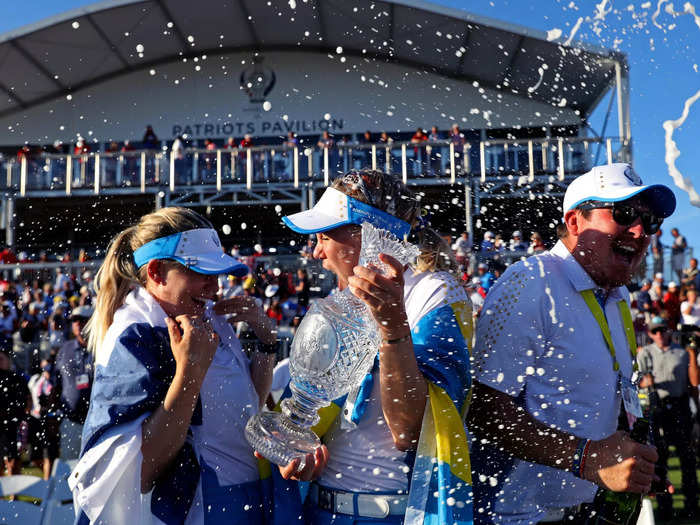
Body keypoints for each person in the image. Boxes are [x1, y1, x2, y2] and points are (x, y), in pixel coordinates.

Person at [69, 207, 326, 524]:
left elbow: (248, 408)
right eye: (201, 273)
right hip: (196, 507)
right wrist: (190, 372)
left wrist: (266, 344)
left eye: (217, 274)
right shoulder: (137, 334)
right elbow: (140, 469)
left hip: (243, 496)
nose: (215, 287)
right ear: (156, 273)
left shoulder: (204, 317)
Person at [469, 163, 675, 524]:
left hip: (586, 511)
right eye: (624, 214)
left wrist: (632, 455)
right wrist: (587, 458)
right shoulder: (530, 283)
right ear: (575, 222)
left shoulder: (618, 295)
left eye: (651, 221)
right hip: (514, 516)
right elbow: (483, 410)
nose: (641, 231)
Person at [281, 169, 473, 525]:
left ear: (368, 234)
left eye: (324, 236)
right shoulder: (342, 297)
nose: (316, 251)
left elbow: (410, 431)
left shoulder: (433, 292)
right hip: (322, 512)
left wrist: (392, 325)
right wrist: (297, 451)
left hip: (395, 513)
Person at [637, 316, 699, 519]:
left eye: (663, 330)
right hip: (657, 409)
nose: (659, 334)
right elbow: (636, 382)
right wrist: (645, 382)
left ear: (669, 331)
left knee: (687, 459)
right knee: (660, 460)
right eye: (655, 331)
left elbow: (692, 386)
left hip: (679, 408)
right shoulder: (645, 353)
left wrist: (696, 413)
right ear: (650, 334)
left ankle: (691, 506)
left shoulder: (681, 353)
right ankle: (664, 508)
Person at [55, 305, 94, 459]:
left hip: (96, 422)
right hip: (71, 421)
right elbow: (56, 382)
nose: (78, 324)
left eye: (82, 320)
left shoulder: (102, 345)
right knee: (68, 469)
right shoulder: (65, 349)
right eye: (75, 321)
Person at [28, 359, 61, 479]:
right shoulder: (35, 380)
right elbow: (30, 396)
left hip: (49, 421)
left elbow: (55, 401)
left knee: (48, 455)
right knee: (34, 457)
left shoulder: (54, 384)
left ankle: (48, 483)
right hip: (36, 420)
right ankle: (51, 478)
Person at [0, 346, 30, 476]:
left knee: (13, 461)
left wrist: (24, 419)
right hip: (1, 426)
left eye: (1, 359)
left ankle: (13, 495)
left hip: (13, 424)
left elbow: (27, 400)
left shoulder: (18, 378)